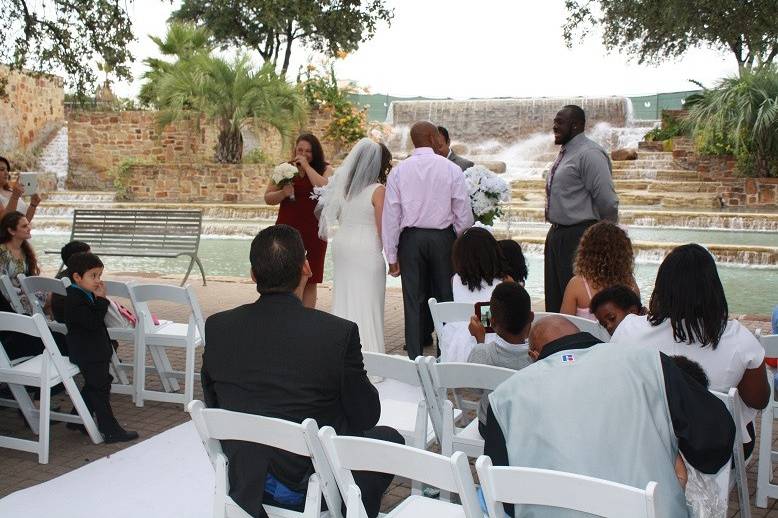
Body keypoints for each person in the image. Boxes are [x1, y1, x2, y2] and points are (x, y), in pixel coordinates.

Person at [201, 225, 402, 518]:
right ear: (306, 267)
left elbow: (213, 403)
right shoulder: (336, 333)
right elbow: (366, 415)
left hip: (249, 476)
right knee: (389, 440)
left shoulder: (218, 327)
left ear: (253, 275)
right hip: (312, 481)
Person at [484, 316, 735, 518]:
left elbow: (503, 498)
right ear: (584, 337)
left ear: (533, 356)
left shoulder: (504, 397)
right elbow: (715, 438)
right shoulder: (649, 362)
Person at [611, 243, 770, 459]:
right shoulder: (739, 339)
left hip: (646, 447)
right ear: (714, 289)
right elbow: (759, 400)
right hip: (713, 454)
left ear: (661, 287)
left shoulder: (629, 330)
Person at [382, 121, 474, 360]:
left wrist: (391, 256)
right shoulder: (450, 169)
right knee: (445, 296)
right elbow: (462, 212)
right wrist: (462, 244)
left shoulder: (399, 171)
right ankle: (446, 356)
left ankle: (415, 357)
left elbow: (391, 215)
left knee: (413, 300)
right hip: (443, 238)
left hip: (410, 239)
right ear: (433, 138)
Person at [319, 139, 390, 355]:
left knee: (345, 300)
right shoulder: (378, 190)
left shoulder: (344, 189)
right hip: (365, 250)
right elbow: (382, 229)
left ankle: (341, 356)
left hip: (342, 247)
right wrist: (394, 258)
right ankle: (369, 358)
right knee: (368, 303)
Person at [544, 105, 618, 313]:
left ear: (576, 125)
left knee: (574, 305)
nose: (554, 126)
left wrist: (606, 237)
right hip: (557, 236)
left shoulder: (590, 154)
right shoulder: (567, 152)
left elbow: (607, 201)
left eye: (560, 122)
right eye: (555, 122)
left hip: (579, 238)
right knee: (556, 301)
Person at [63, 252, 138, 443]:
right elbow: (92, 322)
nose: (97, 281)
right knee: (99, 388)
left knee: (98, 383)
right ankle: (110, 429)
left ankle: (79, 420)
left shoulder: (84, 294)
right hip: (88, 352)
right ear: (77, 277)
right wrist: (102, 301)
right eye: (93, 276)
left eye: (99, 275)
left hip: (94, 350)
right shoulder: (73, 298)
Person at [264, 134, 334, 309]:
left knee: (311, 278)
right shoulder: (283, 169)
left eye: (308, 151)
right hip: (287, 230)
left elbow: (324, 187)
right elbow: (268, 198)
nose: (303, 154)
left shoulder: (325, 169)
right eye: (300, 150)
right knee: (285, 277)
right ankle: (287, 315)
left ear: (315, 152)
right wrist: (282, 193)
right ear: (295, 149)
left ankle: (306, 320)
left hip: (314, 231)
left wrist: (307, 166)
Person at [466, 281, 534, 437]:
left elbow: (474, 389)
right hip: (528, 428)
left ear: (493, 322)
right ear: (531, 317)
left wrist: (480, 340)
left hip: (490, 428)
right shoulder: (539, 356)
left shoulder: (482, 352)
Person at [440, 227, 512, 362]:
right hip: (495, 344)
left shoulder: (455, 280)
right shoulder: (505, 282)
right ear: (493, 253)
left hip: (458, 345)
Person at [560, 221, 638, 321]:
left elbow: (563, 323)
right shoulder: (631, 285)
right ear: (624, 254)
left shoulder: (577, 285)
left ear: (586, 252)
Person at [50, 240, 91, 323]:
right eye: (89, 256)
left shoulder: (60, 276)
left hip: (59, 317)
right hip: (77, 321)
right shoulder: (80, 278)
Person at [0, 156, 41, 221]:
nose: (7, 173)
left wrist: (33, 205)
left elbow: (24, 222)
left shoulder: (11, 191)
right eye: (2, 169)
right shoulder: (14, 194)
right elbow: (5, 221)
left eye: (7, 170)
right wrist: (15, 197)